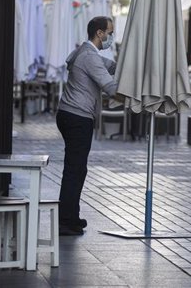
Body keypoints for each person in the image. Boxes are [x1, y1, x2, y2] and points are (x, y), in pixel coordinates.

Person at [56, 16, 118, 235]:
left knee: (77, 169)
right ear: (99, 33)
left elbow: (111, 66)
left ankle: (71, 216)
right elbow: (111, 88)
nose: (111, 36)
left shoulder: (85, 52)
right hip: (77, 117)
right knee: (75, 169)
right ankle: (65, 221)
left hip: (69, 114)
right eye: (110, 32)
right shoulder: (90, 56)